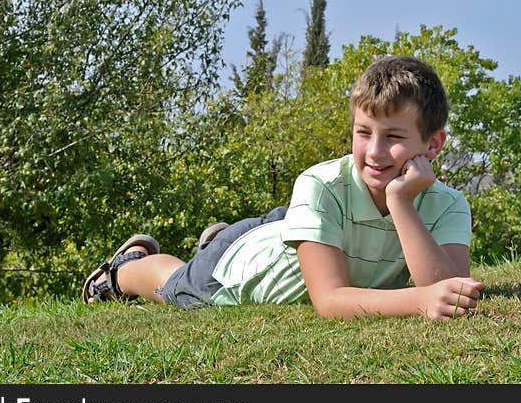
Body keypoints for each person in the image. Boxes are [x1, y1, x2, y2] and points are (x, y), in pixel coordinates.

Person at [82, 55, 483, 319]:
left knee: (273, 235)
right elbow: (329, 301)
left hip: (289, 233)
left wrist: (401, 203)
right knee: (175, 286)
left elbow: (448, 289)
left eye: (393, 136)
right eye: (363, 133)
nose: (374, 152)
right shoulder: (320, 183)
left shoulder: (448, 204)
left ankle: (221, 237)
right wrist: (417, 302)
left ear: (433, 144)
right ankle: (123, 270)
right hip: (236, 271)